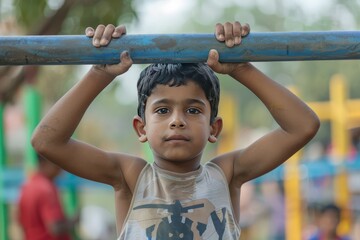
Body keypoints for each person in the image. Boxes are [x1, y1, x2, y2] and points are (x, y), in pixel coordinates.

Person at [31, 21, 320, 239]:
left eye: (193, 110)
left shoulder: (227, 174)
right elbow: (46, 141)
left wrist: (242, 68)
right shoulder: (130, 176)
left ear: (213, 127)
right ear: (141, 127)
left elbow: (303, 126)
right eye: (162, 110)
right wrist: (99, 73)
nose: (177, 120)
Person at [18, 155, 79, 240]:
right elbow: (55, 228)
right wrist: (74, 221)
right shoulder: (46, 188)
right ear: (45, 163)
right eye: (56, 163)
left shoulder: (27, 185)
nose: (60, 169)